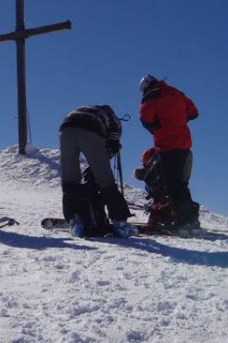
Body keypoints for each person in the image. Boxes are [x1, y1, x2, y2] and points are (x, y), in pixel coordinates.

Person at [59, 104, 134, 237]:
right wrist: (110, 152)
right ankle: (120, 223)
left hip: (66, 129)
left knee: (70, 180)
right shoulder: (111, 115)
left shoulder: (87, 109)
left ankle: (75, 221)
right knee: (105, 180)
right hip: (90, 129)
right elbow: (113, 139)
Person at [138, 74, 200, 234]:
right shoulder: (176, 93)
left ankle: (185, 221)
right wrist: (178, 120)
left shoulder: (151, 95)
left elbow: (145, 118)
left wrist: (158, 127)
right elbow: (193, 112)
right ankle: (189, 219)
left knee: (173, 184)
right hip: (184, 143)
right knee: (180, 183)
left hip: (167, 144)